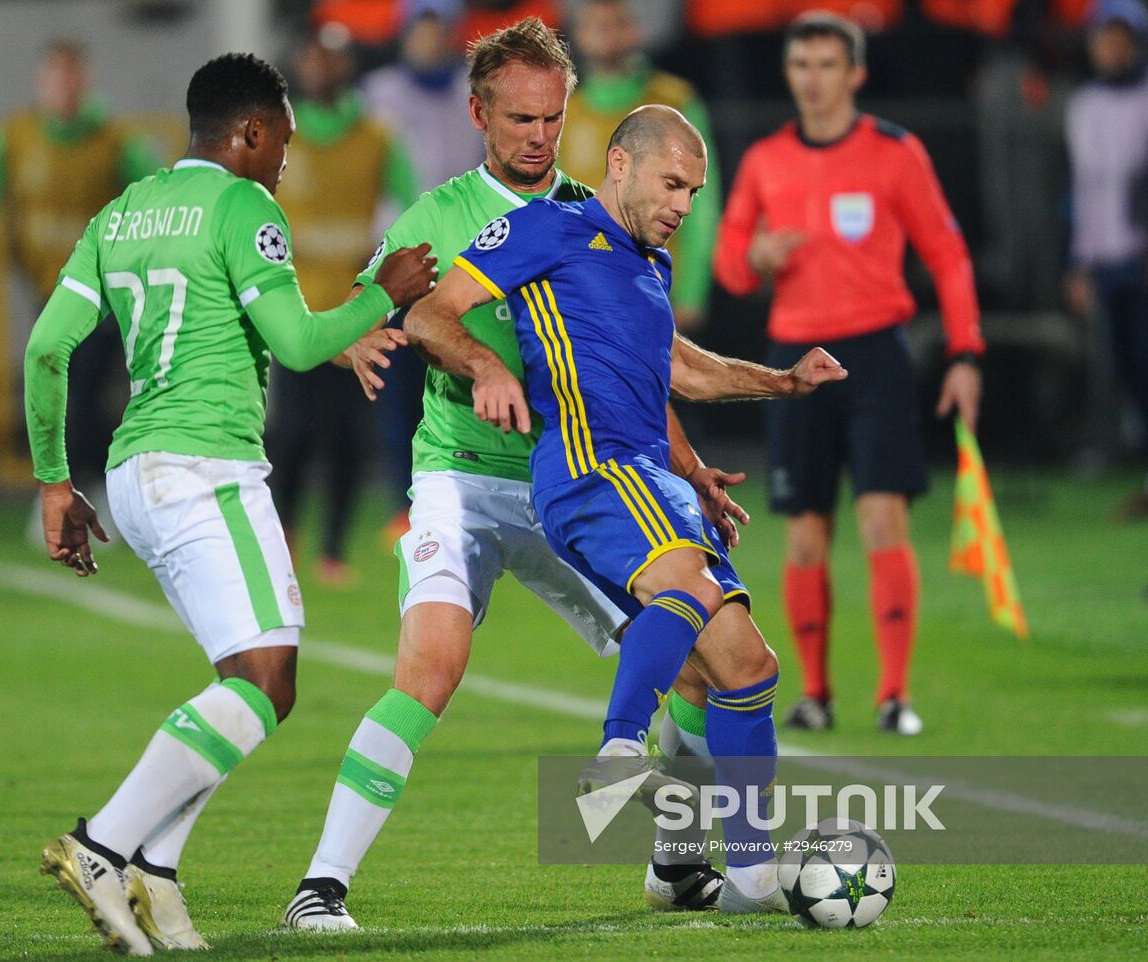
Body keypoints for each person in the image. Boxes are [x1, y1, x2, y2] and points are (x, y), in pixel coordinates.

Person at [281, 19, 813, 930]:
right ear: (480, 114)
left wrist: (688, 467)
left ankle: (679, 864)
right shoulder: (436, 217)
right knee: (432, 667)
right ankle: (320, 887)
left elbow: (634, 367)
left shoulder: (595, 214)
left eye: (552, 118)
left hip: (571, 478)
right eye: (520, 118)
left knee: (703, 660)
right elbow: (365, 318)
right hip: (459, 476)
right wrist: (389, 347)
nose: (538, 136)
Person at [23, 53, 434, 956]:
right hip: (205, 467)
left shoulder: (124, 211)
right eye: (283, 137)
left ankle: (157, 872)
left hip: (132, 473)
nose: (287, 156)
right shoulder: (245, 205)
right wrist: (383, 294)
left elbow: (47, 348)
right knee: (268, 681)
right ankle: (103, 846)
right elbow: (294, 342)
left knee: (241, 681)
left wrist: (55, 480)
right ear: (250, 131)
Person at [402, 103, 846, 915]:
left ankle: (748, 880)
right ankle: (618, 748)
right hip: (590, 465)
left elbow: (681, 370)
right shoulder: (548, 228)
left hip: (648, 475)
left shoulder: (652, 265)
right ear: (620, 165)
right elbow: (430, 311)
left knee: (744, 668)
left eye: (694, 192)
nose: (683, 205)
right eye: (671, 184)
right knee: (694, 591)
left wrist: (782, 384)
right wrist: (486, 369)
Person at [715, 12, 984, 736]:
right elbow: (728, 265)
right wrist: (756, 258)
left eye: (827, 65)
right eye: (801, 64)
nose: (812, 79)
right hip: (794, 363)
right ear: (787, 72)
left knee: (881, 520)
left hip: (874, 357)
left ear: (856, 73)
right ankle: (816, 695)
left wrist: (965, 354)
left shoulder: (895, 153)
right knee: (805, 532)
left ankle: (894, 695)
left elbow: (948, 254)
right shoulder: (766, 159)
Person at [0, 38, 162, 489]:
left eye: (72, 78)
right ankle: (83, 489)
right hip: (49, 292)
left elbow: (161, 192)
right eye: (56, 78)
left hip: (105, 296)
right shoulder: (13, 139)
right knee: (61, 394)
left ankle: (81, 490)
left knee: (80, 393)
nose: (64, 88)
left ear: (85, 83)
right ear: (40, 83)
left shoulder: (114, 141)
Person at [266, 25, 420, 584]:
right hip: (296, 312)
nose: (321, 69)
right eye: (313, 58)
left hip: (358, 314)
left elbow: (414, 206)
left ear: (346, 66)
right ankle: (283, 533)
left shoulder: (376, 136)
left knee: (347, 435)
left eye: (330, 59)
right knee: (292, 432)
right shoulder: (281, 137)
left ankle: (332, 547)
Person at [362, 2, 487, 531]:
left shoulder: (472, 91)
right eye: (422, 31)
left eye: (439, 31)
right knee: (400, 391)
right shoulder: (378, 93)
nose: (430, 41)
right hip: (401, 260)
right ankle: (403, 503)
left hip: (465, 260)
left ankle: (466, 492)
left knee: (462, 379)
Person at [1065, 0, 1148, 512]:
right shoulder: (1083, 104)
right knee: (1131, 366)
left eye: (1120, 39)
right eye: (1103, 39)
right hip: (1106, 255)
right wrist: (1076, 261)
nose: (1112, 49)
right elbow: (1080, 189)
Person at [558, 0, 719, 332]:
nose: (606, 32)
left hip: (660, 293)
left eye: (617, 23)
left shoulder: (676, 100)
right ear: (578, 36)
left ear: (636, 31)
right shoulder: (563, 113)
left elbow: (703, 202)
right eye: (596, 24)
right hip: (583, 298)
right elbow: (551, 208)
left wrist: (692, 294)